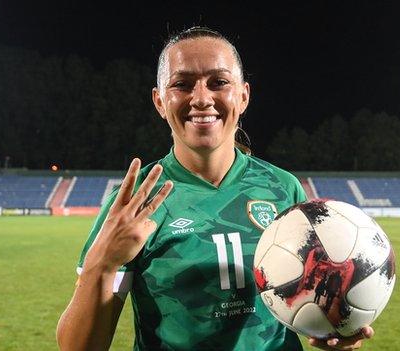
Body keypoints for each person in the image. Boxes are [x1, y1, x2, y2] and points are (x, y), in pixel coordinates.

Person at [56, 26, 374, 351]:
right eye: (182, 84)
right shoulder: (135, 202)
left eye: (219, 82)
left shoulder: (283, 189)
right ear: (160, 101)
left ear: (244, 96)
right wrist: (103, 264)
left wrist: (332, 329)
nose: (202, 98)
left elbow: (311, 297)